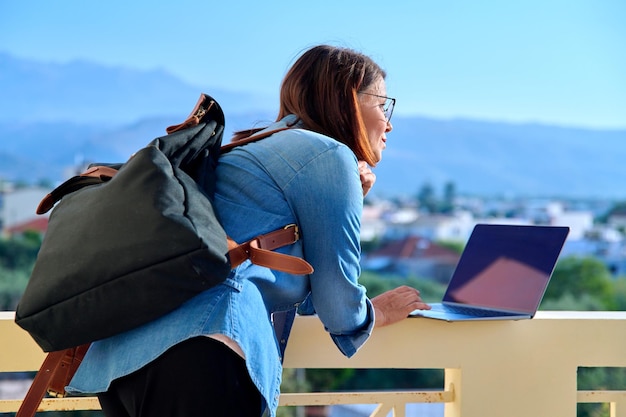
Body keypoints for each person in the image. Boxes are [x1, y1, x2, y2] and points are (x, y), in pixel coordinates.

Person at [67, 44, 431, 417]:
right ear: (347, 100)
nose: (389, 123)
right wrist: (377, 314)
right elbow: (337, 306)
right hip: (202, 356)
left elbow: (296, 291)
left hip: (122, 361)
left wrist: (348, 198)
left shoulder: (252, 146)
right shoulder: (329, 155)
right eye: (382, 104)